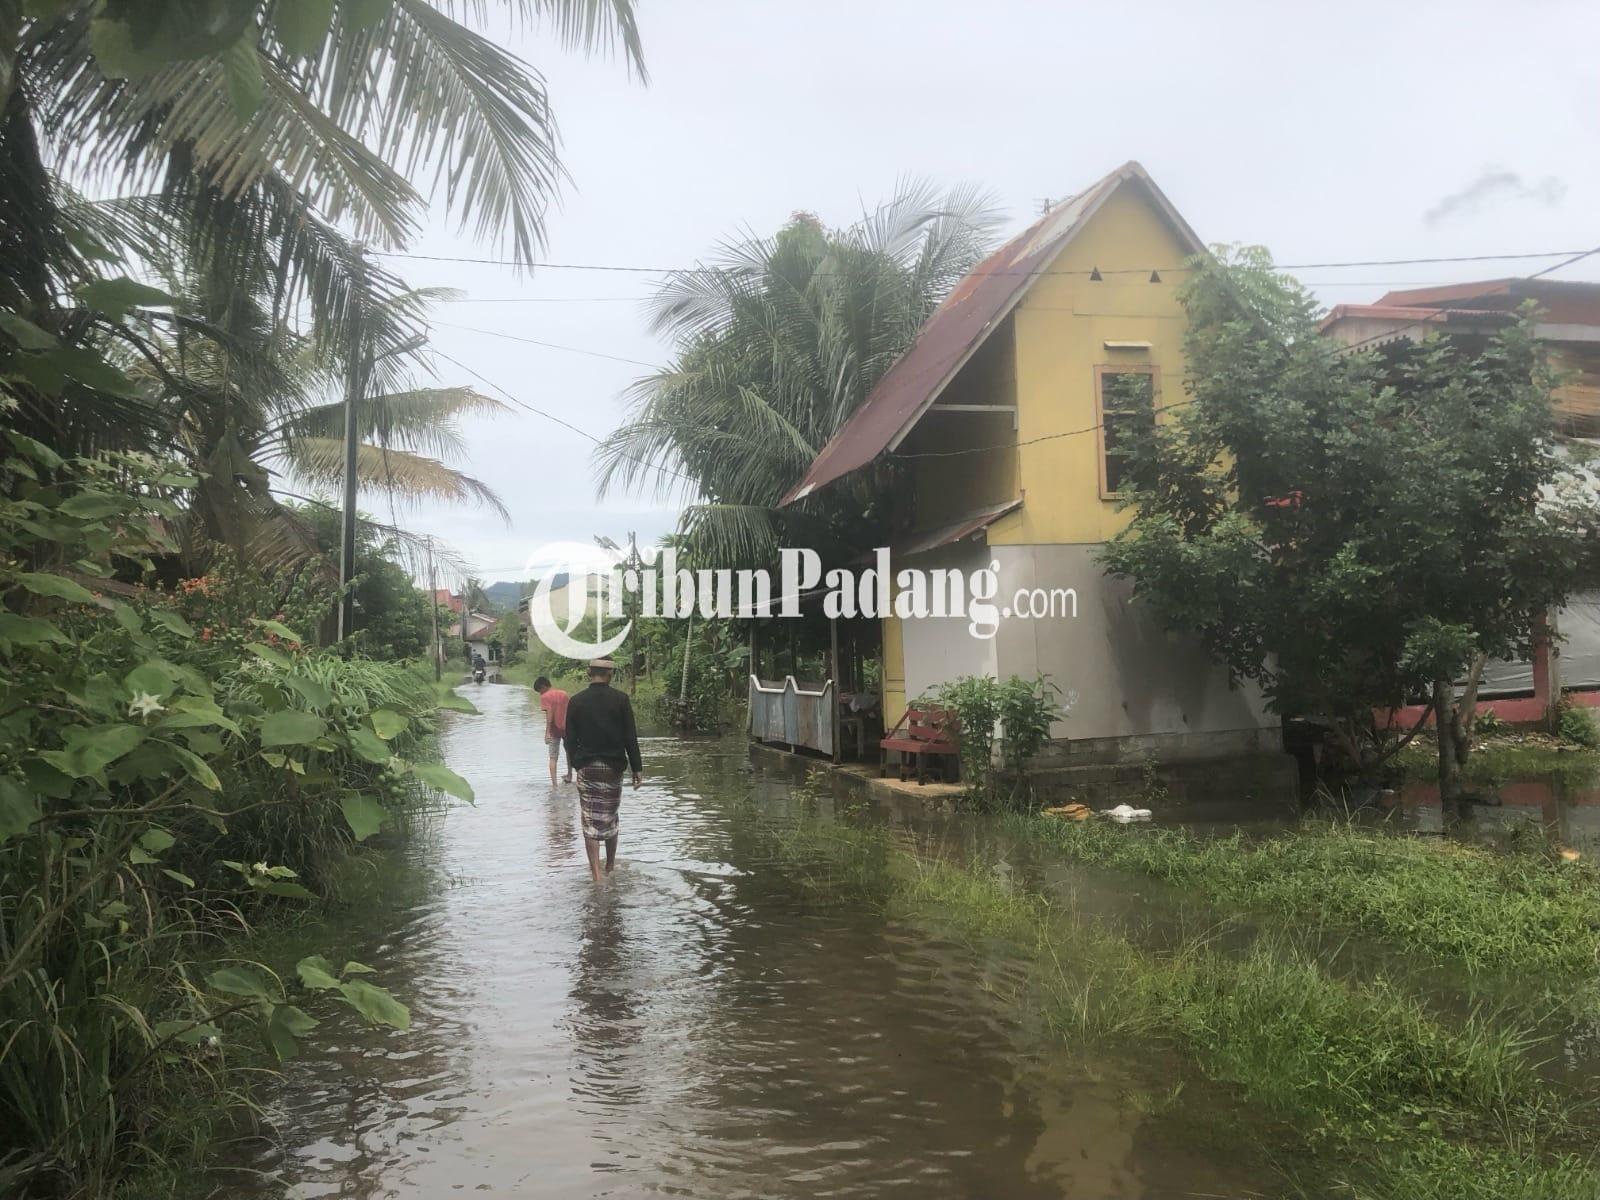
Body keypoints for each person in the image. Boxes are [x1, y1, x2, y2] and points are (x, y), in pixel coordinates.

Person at [562, 658, 642, 883]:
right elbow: (630, 737)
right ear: (610, 675)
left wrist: (577, 764)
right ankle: (610, 866)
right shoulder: (621, 700)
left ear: (589, 673)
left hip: (587, 767)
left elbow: (569, 740)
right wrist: (637, 768)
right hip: (613, 767)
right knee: (610, 816)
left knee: (590, 819)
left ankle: (596, 876)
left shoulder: (576, 701)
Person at [533, 675, 571, 787]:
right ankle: (569, 775)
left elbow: (549, 715)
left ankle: (554, 785)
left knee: (553, 757)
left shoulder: (545, 696)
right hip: (567, 728)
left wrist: (547, 733)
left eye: (540, 690)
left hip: (554, 730)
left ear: (543, 686)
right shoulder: (564, 694)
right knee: (569, 752)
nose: (540, 693)